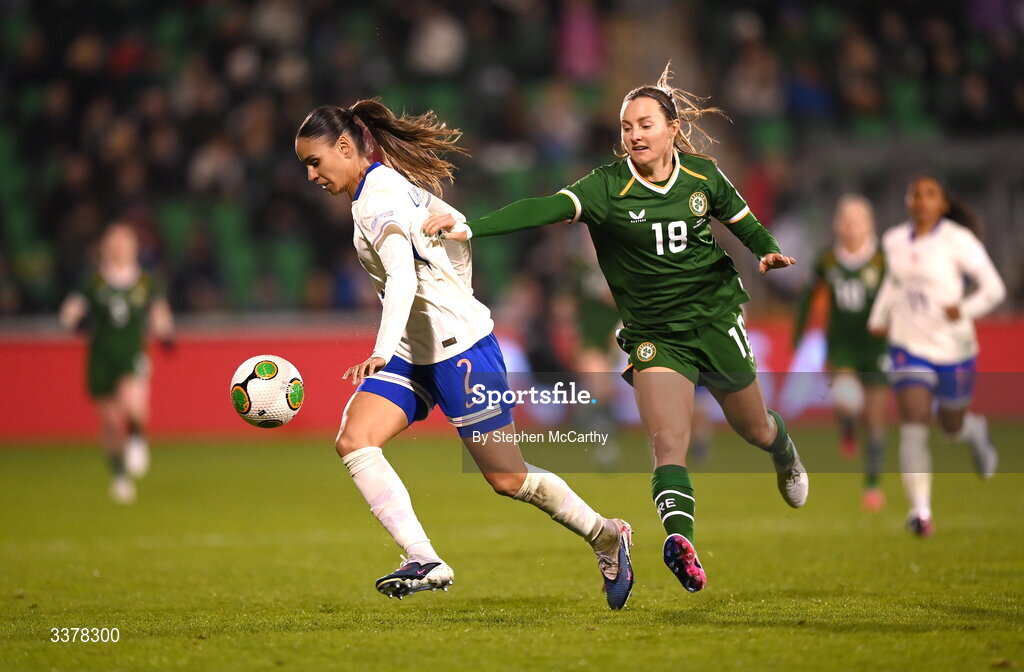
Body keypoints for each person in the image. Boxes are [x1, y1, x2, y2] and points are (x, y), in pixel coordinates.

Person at [424, 64, 808, 595]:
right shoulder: (608, 186)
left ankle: (783, 449)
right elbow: (548, 207)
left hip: (715, 321)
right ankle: (681, 541)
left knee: (755, 430)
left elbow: (742, 222)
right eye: (627, 127)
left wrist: (766, 250)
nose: (634, 135)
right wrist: (472, 224)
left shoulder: (703, 177)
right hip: (655, 335)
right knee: (668, 444)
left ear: (672, 128)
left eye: (645, 124)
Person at [294, 100, 634, 609]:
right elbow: (452, 232)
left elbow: (406, 275)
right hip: (417, 348)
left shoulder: (377, 198)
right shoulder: (387, 185)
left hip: (459, 352)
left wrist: (382, 349)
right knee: (355, 440)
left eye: (315, 161)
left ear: (345, 146)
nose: (311, 174)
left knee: (507, 477)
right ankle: (423, 557)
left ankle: (607, 534)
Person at [867, 175, 1005, 537]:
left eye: (931, 194)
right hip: (907, 345)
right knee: (913, 423)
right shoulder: (894, 240)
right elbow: (893, 283)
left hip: (952, 348)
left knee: (950, 426)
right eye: (916, 193)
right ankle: (921, 511)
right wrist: (878, 317)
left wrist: (966, 308)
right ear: (907, 200)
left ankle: (975, 432)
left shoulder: (959, 241)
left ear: (943, 203)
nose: (922, 200)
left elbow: (994, 288)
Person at [59, 222, 174, 504]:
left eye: (124, 241)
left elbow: (159, 310)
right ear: (106, 247)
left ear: (134, 246)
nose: (119, 246)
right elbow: (70, 311)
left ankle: (136, 438)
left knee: (133, 402)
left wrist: (166, 333)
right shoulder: (94, 281)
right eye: (114, 241)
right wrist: (73, 321)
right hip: (101, 356)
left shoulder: (145, 281)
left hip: (132, 351)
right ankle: (119, 475)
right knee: (110, 420)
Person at [792, 194, 889, 511]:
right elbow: (808, 297)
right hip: (843, 347)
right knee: (847, 399)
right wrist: (798, 334)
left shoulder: (882, 260)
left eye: (856, 220)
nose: (850, 226)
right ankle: (847, 425)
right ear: (838, 224)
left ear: (868, 224)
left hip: (876, 346)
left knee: (876, 417)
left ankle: (872, 485)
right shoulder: (827, 260)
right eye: (845, 220)